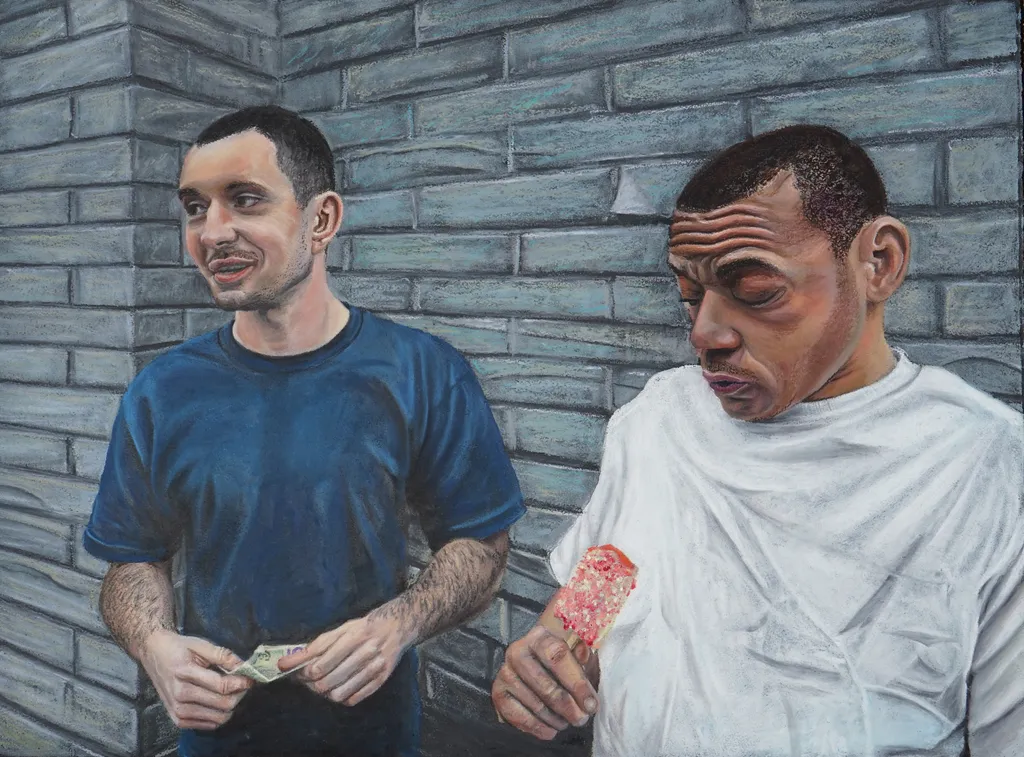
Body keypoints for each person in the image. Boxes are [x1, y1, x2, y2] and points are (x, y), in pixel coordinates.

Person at [492, 125, 1023, 757]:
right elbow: (609, 573)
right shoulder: (657, 418)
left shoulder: (989, 465)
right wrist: (555, 655)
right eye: (691, 297)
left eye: (757, 293)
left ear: (878, 262)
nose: (706, 334)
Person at [82, 105, 526, 757]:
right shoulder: (161, 391)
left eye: (245, 199)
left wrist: (397, 624)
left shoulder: (423, 371)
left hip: (373, 739)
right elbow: (132, 560)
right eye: (195, 208)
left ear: (321, 220)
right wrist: (154, 645)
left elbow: (482, 546)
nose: (212, 232)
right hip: (218, 743)